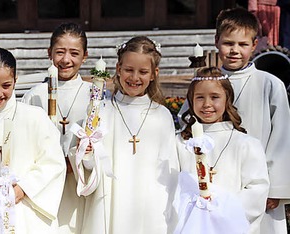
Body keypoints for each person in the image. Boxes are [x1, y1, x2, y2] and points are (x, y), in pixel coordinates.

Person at [78, 36, 179, 233]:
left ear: (153, 74)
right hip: (110, 199)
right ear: (118, 69)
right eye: (128, 70)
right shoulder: (101, 111)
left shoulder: (162, 115)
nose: (134, 78)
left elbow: (170, 168)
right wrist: (87, 153)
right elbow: (90, 166)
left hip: (150, 204)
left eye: (143, 72)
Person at [0, 47, 66, 233]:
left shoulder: (34, 117)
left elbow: (54, 163)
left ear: (15, 81)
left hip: (28, 212)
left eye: (6, 85)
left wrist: (23, 188)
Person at [214, 8, 290, 234]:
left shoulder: (269, 84)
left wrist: (275, 188)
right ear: (216, 41)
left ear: (254, 44)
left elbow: (282, 136)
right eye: (228, 43)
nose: (235, 50)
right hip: (218, 180)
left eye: (243, 44)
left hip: (260, 186)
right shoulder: (207, 83)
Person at [176, 67, 269, 234]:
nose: (207, 104)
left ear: (227, 100)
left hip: (230, 225)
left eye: (215, 97)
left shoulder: (246, 144)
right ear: (190, 100)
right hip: (190, 224)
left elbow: (257, 188)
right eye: (199, 98)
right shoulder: (180, 142)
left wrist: (221, 208)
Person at [20, 23, 91, 233]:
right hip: (43, 186)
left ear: (85, 56)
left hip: (77, 185)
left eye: (74, 53)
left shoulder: (93, 95)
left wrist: (78, 159)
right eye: (60, 52)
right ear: (49, 53)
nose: (66, 60)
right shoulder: (35, 95)